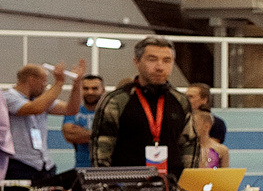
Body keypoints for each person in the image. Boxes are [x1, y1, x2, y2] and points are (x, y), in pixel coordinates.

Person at [89, 38, 200, 177]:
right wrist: (107, 187)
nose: (160, 67)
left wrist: (187, 184)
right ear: (137, 62)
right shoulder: (116, 100)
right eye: (152, 59)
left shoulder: (181, 101)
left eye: (166, 61)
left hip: (171, 186)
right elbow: (100, 150)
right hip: (127, 188)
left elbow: (190, 145)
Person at [3, 63, 72, 183]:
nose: (45, 85)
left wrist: (76, 85)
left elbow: (70, 109)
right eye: (44, 80)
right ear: (32, 79)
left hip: (44, 165)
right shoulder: (7, 98)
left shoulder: (40, 100)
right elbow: (35, 108)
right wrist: (59, 83)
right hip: (20, 164)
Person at [60, 72, 105, 168]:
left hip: (107, 169)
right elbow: (69, 134)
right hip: (82, 169)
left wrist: (82, 132)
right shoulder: (73, 112)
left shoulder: (110, 112)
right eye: (86, 88)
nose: (90, 92)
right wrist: (102, 134)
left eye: (94, 88)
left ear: (103, 91)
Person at [185, 83, 229, 170]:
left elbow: (209, 152)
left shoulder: (216, 123)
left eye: (191, 97)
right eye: (185, 96)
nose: (186, 100)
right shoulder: (181, 120)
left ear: (204, 100)